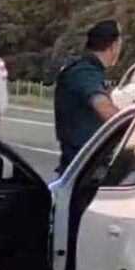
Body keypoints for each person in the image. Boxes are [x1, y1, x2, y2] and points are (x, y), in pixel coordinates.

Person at [54, 19, 122, 173]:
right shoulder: (84, 72)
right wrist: (134, 129)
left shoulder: (88, 70)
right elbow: (103, 106)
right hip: (83, 169)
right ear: (113, 46)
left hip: (85, 163)